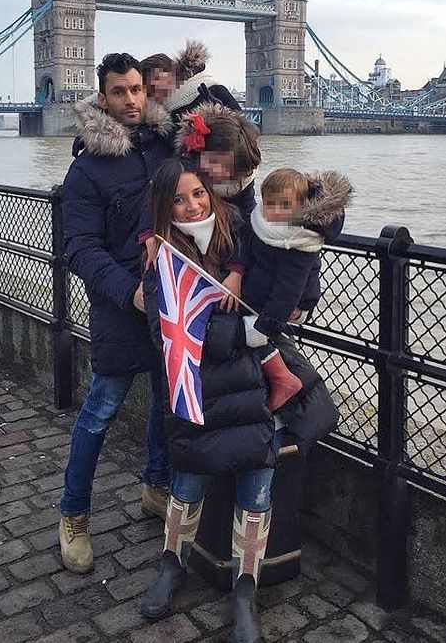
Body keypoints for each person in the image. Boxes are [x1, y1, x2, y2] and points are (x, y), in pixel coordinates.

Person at [140, 157, 281, 643]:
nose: (192, 204)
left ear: (211, 191)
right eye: (178, 199)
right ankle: (171, 565)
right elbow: (178, 335)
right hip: (197, 392)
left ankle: (246, 587)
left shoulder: (242, 238)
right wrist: (248, 330)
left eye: (198, 192)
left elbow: (302, 228)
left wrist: (241, 275)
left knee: (256, 488)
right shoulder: (160, 260)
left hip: (248, 390)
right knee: (188, 481)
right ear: (163, 208)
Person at [59, 53, 174, 574]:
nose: (131, 100)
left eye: (137, 90)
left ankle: (155, 487)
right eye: (120, 92)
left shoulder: (165, 144)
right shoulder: (86, 169)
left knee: (165, 405)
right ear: (101, 97)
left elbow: (228, 164)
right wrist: (129, 291)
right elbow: (80, 247)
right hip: (121, 309)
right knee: (99, 412)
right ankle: (74, 516)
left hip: (171, 307)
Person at [242, 167, 353, 411]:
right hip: (261, 296)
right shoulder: (264, 223)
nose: (274, 211)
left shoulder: (300, 239)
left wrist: (266, 326)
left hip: (280, 304)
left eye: (284, 205)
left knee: (257, 338)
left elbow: (288, 290)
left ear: (302, 206)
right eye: (269, 203)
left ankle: (285, 382)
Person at [164, 40, 242, 119]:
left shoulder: (170, 100)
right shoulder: (217, 89)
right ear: (201, 68)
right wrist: (220, 110)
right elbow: (241, 122)